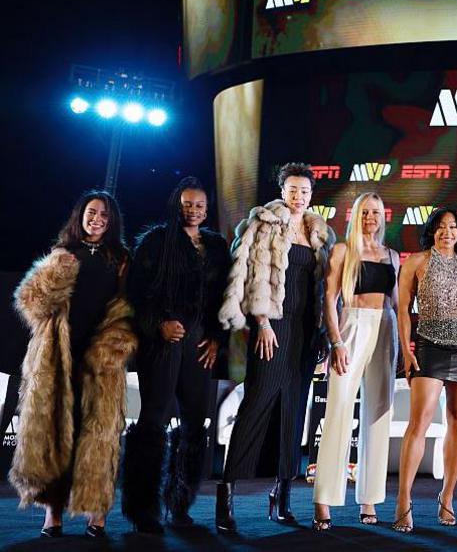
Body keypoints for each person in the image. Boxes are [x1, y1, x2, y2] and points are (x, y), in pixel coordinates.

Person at [215, 163, 334, 534]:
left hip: (304, 333)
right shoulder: (263, 223)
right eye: (293, 189)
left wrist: (325, 337)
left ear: (312, 195)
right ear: (282, 190)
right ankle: (226, 495)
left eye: (305, 191)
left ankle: (280, 498)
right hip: (272, 328)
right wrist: (262, 322)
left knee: (293, 413)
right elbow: (247, 275)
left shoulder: (320, 233)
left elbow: (327, 291)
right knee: (256, 405)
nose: (299, 196)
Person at [10, 190, 135, 539]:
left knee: (97, 436)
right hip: (57, 359)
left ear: (112, 223)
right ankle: (53, 514)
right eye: (92, 213)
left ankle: (97, 514)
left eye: (104, 216)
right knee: (55, 434)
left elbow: (127, 309)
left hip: (101, 361)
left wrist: (111, 347)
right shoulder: (63, 254)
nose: (97, 219)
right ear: (80, 215)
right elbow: (30, 306)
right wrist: (56, 272)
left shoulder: (121, 258)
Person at [121, 177, 231, 533]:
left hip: (200, 343)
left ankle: (179, 503)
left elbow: (223, 299)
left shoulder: (216, 246)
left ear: (206, 209)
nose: (193, 210)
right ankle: (142, 509)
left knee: (196, 424)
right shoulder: (156, 241)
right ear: (176, 204)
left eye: (199, 205)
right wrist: (159, 325)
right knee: (152, 421)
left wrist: (216, 337)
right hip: (163, 341)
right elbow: (137, 294)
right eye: (187, 204)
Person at [391, 208, 457, 533]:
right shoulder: (415, 262)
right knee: (419, 424)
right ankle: (404, 500)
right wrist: (406, 350)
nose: (448, 232)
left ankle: (447, 497)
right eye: (442, 227)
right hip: (428, 348)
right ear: (432, 230)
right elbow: (402, 310)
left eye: (453, 227)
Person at [312, 192, 400, 530]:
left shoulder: (391, 255)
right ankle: (324, 502)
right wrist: (336, 342)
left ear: (383, 216)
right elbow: (329, 300)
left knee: (379, 413)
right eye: (365, 212)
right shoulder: (343, 251)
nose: (371, 218)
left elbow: (396, 303)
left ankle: (369, 500)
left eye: (376, 212)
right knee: (338, 410)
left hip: (385, 325)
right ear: (356, 215)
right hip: (351, 325)